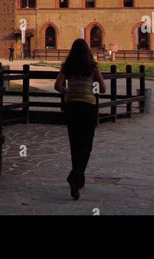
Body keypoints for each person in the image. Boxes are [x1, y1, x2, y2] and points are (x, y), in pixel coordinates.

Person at [54, 38, 106, 200]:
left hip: (71, 106)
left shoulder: (67, 66)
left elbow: (58, 86)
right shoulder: (92, 66)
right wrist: (90, 88)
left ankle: (78, 178)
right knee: (86, 144)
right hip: (88, 106)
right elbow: (103, 89)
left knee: (75, 143)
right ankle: (75, 176)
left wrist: (67, 91)